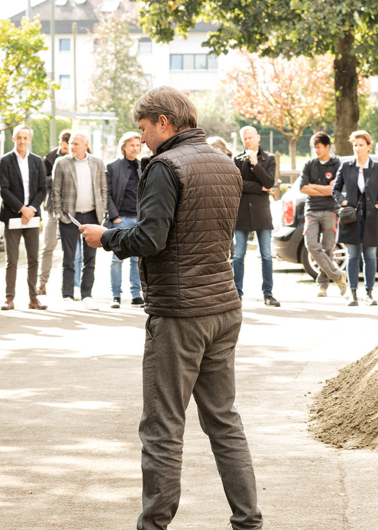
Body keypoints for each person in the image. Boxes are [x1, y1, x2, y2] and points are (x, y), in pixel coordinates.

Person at [80, 86, 263, 530]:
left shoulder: (165, 165)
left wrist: (105, 238)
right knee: (224, 422)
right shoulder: (225, 164)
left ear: (164, 121)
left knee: (162, 428)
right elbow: (199, 230)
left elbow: (151, 240)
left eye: (143, 129)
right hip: (223, 303)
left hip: (181, 312)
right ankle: (249, 521)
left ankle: (154, 525)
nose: (141, 139)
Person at [332, 130, 378, 307]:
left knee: (370, 256)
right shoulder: (346, 166)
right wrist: (343, 202)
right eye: (355, 145)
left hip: (371, 218)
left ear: (369, 147)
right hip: (351, 218)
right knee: (352, 256)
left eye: (361, 145)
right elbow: (335, 189)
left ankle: (369, 293)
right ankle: (353, 293)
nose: (358, 148)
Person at [52, 132, 107, 310]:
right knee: (68, 258)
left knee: (89, 259)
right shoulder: (61, 163)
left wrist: (103, 209)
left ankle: (87, 295)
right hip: (70, 217)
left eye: (76, 143)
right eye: (71, 143)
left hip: (92, 216)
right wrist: (59, 213)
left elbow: (103, 188)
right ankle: (67, 295)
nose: (72, 146)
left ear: (85, 145)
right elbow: (55, 191)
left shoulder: (97, 162)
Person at [0, 125, 48, 311]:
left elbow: (43, 188)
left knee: (33, 259)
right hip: (13, 216)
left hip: (33, 217)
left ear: (30, 140)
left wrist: (32, 209)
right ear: (13, 138)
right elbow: (4, 189)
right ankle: (9, 298)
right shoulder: (5, 161)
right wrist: (21, 209)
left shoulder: (36, 161)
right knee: (11, 260)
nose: (22, 141)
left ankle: (33, 298)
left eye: (25, 138)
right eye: (19, 137)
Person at [233, 126, 279, 307]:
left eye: (251, 137)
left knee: (266, 255)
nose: (248, 141)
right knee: (238, 255)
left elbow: (269, 182)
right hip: (242, 213)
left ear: (258, 138)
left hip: (261, 213)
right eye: (245, 139)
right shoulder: (236, 159)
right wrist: (259, 188)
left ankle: (268, 293)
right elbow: (236, 184)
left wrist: (255, 164)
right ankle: (237, 293)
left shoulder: (269, 159)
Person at [300, 131, 348, 297]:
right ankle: (338, 275)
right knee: (311, 245)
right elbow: (303, 188)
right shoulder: (309, 164)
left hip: (330, 210)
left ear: (327, 147)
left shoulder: (337, 164)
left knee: (327, 248)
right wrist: (326, 189)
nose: (316, 151)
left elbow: (336, 190)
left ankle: (322, 285)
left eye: (319, 147)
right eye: (314, 147)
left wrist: (315, 187)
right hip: (311, 210)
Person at [104, 131, 144, 309]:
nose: (135, 148)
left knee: (137, 259)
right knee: (116, 259)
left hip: (139, 220)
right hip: (121, 219)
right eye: (132, 145)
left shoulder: (144, 166)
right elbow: (107, 194)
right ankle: (116, 296)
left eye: (138, 145)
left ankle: (136, 295)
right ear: (124, 147)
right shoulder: (112, 167)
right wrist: (115, 218)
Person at [37, 129, 71, 295]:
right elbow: (43, 180)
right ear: (60, 144)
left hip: (72, 209)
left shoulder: (80, 155)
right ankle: (42, 282)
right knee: (48, 246)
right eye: (65, 148)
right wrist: (59, 176)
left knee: (71, 251)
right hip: (52, 207)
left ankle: (70, 286)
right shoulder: (50, 158)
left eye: (69, 148)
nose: (67, 152)